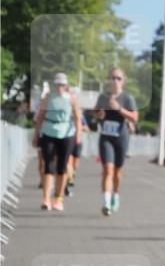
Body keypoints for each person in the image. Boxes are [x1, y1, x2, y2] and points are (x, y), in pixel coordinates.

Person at [32, 73, 82, 211]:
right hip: (49, 131)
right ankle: (46, 198)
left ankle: (59, 198)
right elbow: (40, 117)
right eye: (57, 84)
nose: (59, 87)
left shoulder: (71, 98)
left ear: (66, 86)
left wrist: (78, 134)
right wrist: (36, 134)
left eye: (62, 84)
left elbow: (78, 117)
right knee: (48, 165)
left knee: (62, 166)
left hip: (66, 133)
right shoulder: (47, 98)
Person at [94, 67, 139, 216]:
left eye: (118, 78)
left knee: (117, 173)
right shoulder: (103, 97)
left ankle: (116, 195)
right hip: (106, 136)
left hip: (121, 136)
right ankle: (106, 203)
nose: (115, 81)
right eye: (112, 78)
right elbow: (95, 113)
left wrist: (119, 109)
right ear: (108, 80)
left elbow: (134, 117)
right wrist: (99, 114)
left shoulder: (127, 98)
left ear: (123, 81)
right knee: (108, 170)